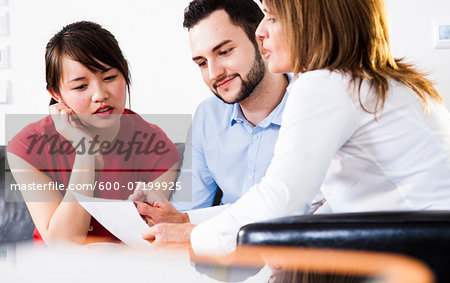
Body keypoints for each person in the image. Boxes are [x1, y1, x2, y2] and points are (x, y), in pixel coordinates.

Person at [142, 0, 450, 254]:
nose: (261, 31)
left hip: (423, 253)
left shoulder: (325, 85)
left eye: (272, 18)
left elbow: (281, 200)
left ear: (312, 23)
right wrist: (188, 222)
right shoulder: (371, 81)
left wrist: (191, 237)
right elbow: (298, 203)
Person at [130, 0, 327, 226]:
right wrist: (165, 215)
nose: (214, 73)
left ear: (262, 39)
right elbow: (189, 211)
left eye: (224, 52)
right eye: (202, 63)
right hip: (221, 253)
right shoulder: (208, 116)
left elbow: (305, 213)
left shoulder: (312, 106)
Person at [6, 21, 180, 245]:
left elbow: (148, 240)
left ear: (124, 71)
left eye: (109, 78)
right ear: (57, 95)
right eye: (80, 86)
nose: (100, 95)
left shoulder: (158, 148)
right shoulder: (26, 148)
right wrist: (85, 154)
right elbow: (63, 245)